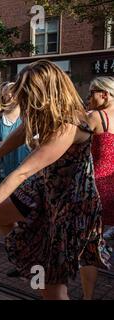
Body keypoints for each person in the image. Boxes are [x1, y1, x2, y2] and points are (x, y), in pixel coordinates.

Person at [0, 60, 111, 300]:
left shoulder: (68, 125)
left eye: (26, 95)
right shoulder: (46, 116)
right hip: (44, 190)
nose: (21, 102)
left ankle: (39, 262)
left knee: (52, 290)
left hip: (68, 204)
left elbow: (22, 172)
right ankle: (32, 254)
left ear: (42, 94)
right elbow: (4, 146)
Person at [0, 82, 30, 254]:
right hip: (1, 170)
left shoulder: (28, 116)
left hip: (23, 171)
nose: (9, 96)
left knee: (23, 208)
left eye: (12, 93)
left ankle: (24, 243)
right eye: (5, 93)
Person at [80, 76, 114, 300]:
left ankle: (88, 297)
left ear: (105, 94)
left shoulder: (95, 117)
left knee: (89, 245)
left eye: (92, 91)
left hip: (98, 186)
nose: (88, 96)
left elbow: (69, 143)